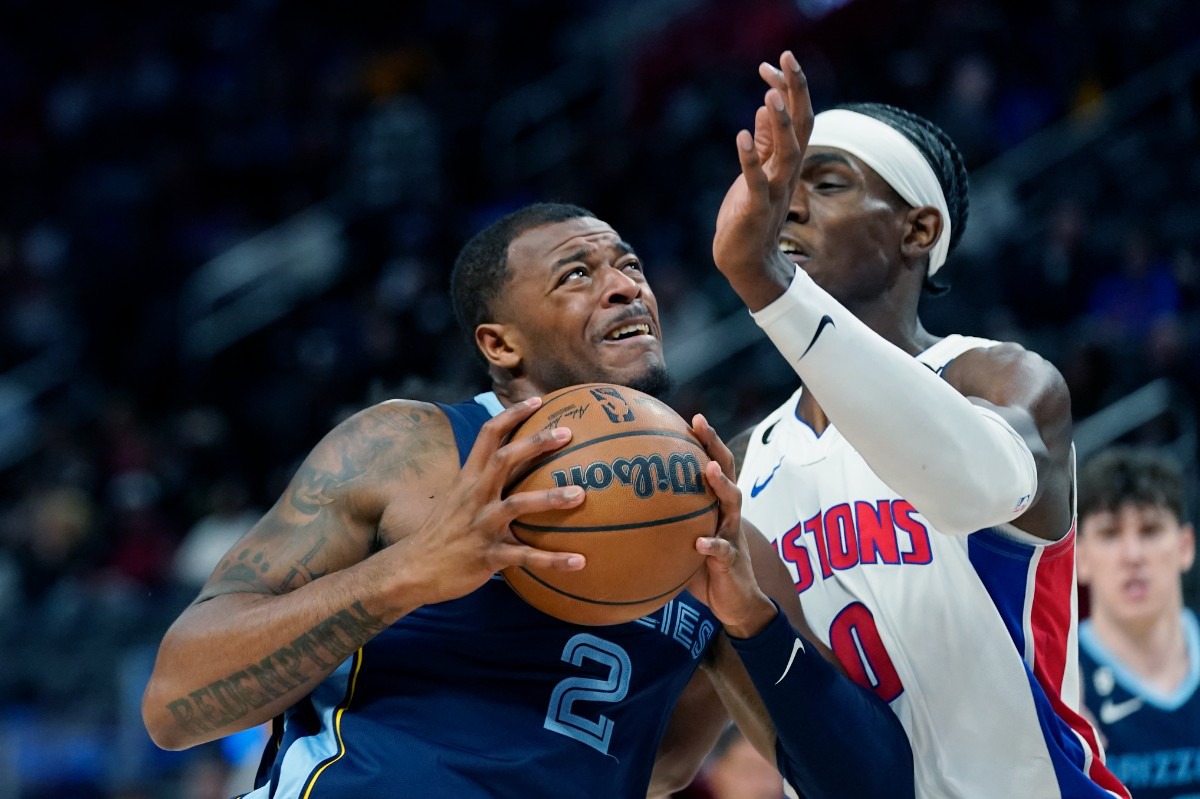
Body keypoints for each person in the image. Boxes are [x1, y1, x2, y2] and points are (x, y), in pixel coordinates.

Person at [141, 52, 913, 799]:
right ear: (500, 343)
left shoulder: (713, 524)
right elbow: (175, 702)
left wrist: (751, 623)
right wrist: (412, 572)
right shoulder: (408, 450)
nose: (624, 288)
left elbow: (690, 767)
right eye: (579, 274)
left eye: (630, 266)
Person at [713, 56, 1130, 798]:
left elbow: (979, 484)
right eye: (781, 185)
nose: (787, 207)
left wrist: (765, 286)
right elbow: (791, 718)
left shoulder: (998, 376)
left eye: (827, 182)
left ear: (917, 227)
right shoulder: (747, 461)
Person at [1076, 447, 1200, 799]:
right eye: (1110, 534)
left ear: (1185, 546)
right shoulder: (1056, 682)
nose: (1132, 555)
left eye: (1150, 530)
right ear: (1081, 556)